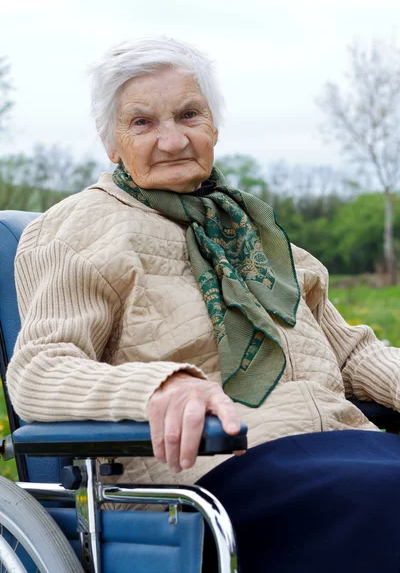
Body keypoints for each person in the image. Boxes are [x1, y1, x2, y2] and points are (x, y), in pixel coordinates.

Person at [7, 37, 400, 572]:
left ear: (214, 126)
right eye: (142, 123)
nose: (172, 140)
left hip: (350, 445)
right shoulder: (77, 230)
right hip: (219, 473)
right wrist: (162, 385)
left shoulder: (256, 234)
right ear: (111, 142)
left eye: (189, 114)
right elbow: (39, 368)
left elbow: (350, 353)